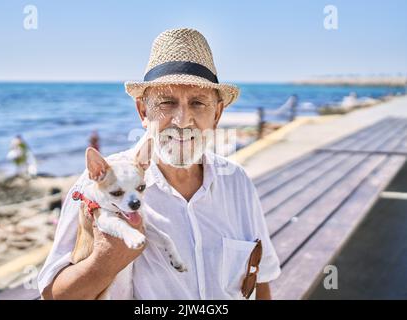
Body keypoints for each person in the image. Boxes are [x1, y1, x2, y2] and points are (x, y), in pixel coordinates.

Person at [38, 28, 281, 300]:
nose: (182, 121)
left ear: (217, 114)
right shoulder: (100, 183)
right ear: (143, 112)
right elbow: (54, 295)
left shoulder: (237, 181)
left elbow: (261, 278)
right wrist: (104, 263)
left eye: (198, 103)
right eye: (167, 103)